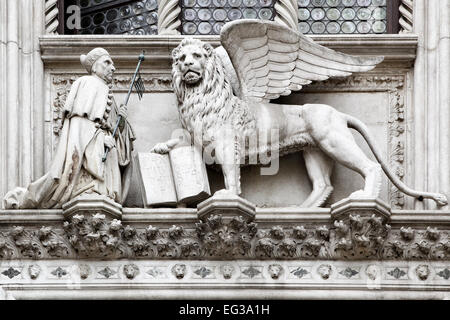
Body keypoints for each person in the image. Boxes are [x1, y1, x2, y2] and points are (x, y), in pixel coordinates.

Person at [3, 48, 135, 209]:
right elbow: (81, 128)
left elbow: (114, 132)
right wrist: (101, 141)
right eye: (107, 62)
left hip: (107, 157)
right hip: (94, 156)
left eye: (113, 64)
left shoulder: (107, 93)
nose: (112, 68)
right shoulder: (88, 83)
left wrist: (121, 123)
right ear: (94, 67)